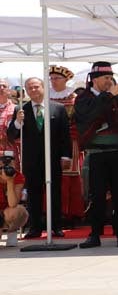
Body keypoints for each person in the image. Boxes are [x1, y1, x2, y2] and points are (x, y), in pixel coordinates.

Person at [75, 63, 118, 248]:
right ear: (94, 79)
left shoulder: (116, 97)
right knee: (96, 195)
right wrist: (110, 96)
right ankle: (95, 234)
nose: (110, 81)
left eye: (111, 78)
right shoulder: (83, 98)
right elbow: (90, 115)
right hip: (96, 154)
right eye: (106, 78)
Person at [6, 77, 72, 239]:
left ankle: (56, 226)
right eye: (30, 88)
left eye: (36, 87)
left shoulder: (57, 108)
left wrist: (66, 156)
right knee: (34, 194)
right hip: (31, 159)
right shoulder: (21, 109)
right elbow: (11, 135)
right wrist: (17, 123)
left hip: (53, 158)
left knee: (54, 193)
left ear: (43, 87)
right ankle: (35, 227)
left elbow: (65, 135)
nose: (33, 90)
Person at [48, 65, 85, 226]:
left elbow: (79, 121)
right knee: (51, 176)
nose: (53, 81)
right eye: (52, 79)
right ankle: (51, 212)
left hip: (70, 141)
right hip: (50, 141)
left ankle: (71, 214)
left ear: (65, 80)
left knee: (70, 178)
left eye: (57, 78)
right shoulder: (46, 96)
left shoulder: (73, 97)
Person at [0, 158, 27, 247]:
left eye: (7, 167)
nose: (5, 170)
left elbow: (13, 204)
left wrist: (9, 181)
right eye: (2, 168)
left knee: (19, 211)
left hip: (7, 211)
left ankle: (12, 232)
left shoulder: (17, 176)